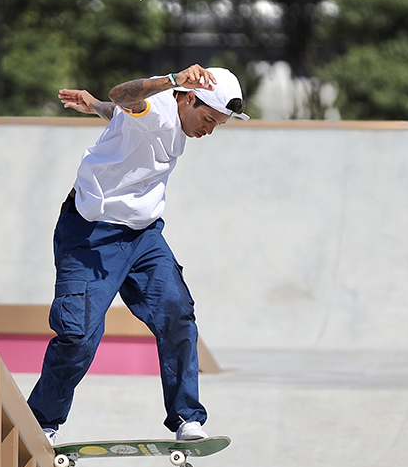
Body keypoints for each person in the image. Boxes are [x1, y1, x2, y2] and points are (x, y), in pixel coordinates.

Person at [27, 64, 249, 443]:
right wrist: (172, 80)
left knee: (177, 314)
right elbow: (122, 96)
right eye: (208, 119)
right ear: (189, 98)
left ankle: (186, 417)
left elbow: (118, 114)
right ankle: (41, 422)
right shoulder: (161, 103)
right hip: (90, 236)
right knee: (78, 335)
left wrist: (94, 105)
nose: (208, 130)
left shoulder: (167, 118)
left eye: (218, 125)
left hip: (144, 237)